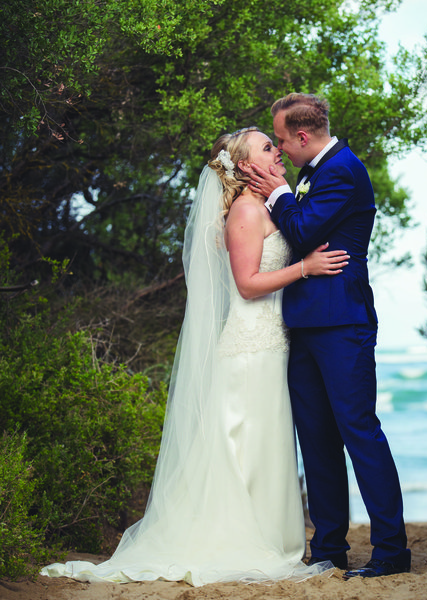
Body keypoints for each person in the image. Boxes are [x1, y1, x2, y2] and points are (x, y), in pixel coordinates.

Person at [40, 127, 348, 586]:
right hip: (250, 348)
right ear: (244, 166)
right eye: (268, 147)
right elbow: (246, 285)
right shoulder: (245, 211)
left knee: (263, 447)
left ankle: (271, 536)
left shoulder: (267, 204)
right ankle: (251, 541)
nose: (278, 151)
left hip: (270, 344)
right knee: (247, 446)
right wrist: (305, 268)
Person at [249, 93, 411, 578]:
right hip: (304, 324)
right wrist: (284, 191)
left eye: (280, 140)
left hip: (343, 324)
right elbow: (302, 231)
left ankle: (390, 551)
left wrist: (277, 191)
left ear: (302, 136)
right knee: (316, 439)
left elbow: (301, 233)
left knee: (359, 432)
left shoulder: (342, 169)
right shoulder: (314, 172)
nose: (278, 151)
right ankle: (330, 547)